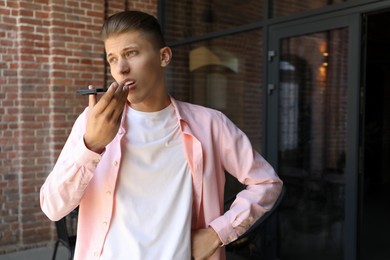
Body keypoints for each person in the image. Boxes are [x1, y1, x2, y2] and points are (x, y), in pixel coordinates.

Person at [40, 10, 282, 260]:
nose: (121, 68)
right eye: (112, 59)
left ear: (164, 56)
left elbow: (266, 183)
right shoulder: (91, 124)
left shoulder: (210, 125)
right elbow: (52, 207)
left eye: (131, 53)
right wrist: (91, 146)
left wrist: (216, 234)